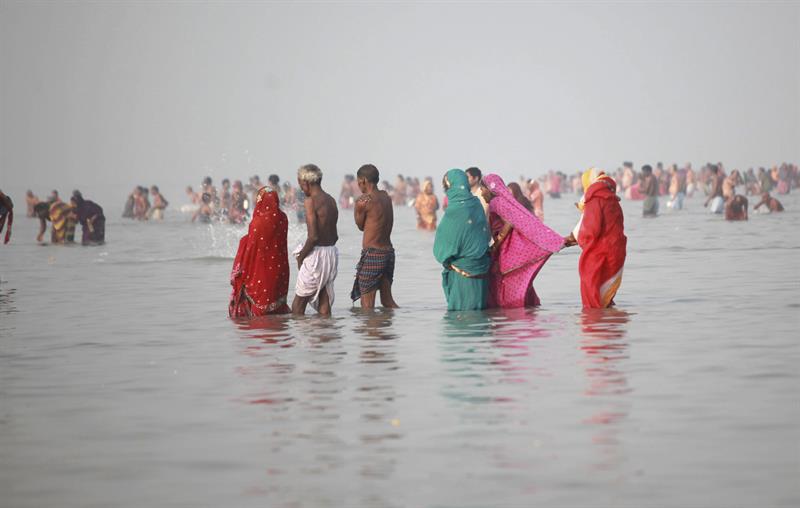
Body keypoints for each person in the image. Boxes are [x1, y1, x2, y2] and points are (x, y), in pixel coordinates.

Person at [480, 175, 563, 308]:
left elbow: (508, 223)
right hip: (509, 247)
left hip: (504, 249)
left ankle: (511, 306)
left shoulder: (495, 203)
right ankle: (527, 305)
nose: (481, 192)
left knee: (500, 280)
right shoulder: (502, 201)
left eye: (482, 189)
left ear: (490, 189)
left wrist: (496, 245)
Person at [564, 168, 627, 309]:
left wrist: (574, 239)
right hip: (616, 252)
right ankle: (610, 325)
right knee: (605, 299)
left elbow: (590, 230)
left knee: (594, 301)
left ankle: (598, 325)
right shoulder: (612, 199)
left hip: (600, 255)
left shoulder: (595, 199)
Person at [433, 169, 491, 311]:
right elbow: (485, 234)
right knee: (479, 317)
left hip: (462, 273)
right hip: (481, 270)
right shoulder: (476, 204)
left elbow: (443, 245)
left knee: (462, 318)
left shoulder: (455, 209)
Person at [228, 187, 291, 317]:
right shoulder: (283, 218)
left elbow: (251, 251)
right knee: (277, 308)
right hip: (280, 269)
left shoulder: (257, 223)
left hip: (260, 272)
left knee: (261, 317)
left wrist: (242, 272)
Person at [292, 164, 339, 316]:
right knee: (324, 299)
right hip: (331, 253)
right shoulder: (331, 200)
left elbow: (313, 237)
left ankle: (299, 338)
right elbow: (335, 235)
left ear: (306, 183)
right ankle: (324, 334)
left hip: (316, 254)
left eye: (300, 184)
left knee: (299, 303)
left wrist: (301, 257)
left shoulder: (310, 201)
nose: (301, 188)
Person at [351, 164, 399, 308]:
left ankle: (372, 330)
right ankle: (393, 328)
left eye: (358, 181)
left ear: (364, 180)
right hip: (388, 253)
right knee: (387, 301)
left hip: (373, 254)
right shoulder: (386, 197)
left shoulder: (363, 201)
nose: (358, 185)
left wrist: (358, 207)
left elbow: (360, 226)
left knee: (367, 305)